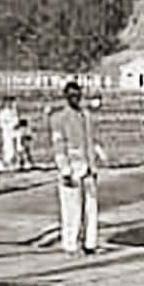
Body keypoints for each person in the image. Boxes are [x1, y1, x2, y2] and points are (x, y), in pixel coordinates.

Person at [50, 81, 108, 256]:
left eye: (77, 95)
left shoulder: (86, 116)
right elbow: (59, 146)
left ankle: (90, 243)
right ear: (66, 96)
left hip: (87, 167)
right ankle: (71, 244)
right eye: (71, 95)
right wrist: (65, 170)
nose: (75, 98)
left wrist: (94, 164)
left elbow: (90, 141)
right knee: (71, 208)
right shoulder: (59, 118)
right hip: (72, 167)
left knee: (91, 207)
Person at [0, 99, 21, 168]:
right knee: (7, 144)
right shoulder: (3, 112)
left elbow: (16, 121)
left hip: (13, 130)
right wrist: (8, 125)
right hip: (6, 131)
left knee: (15, 144)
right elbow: (2, 122)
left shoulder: (14, 112)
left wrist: (14, 124)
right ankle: (7, 160)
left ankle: (15, 160)